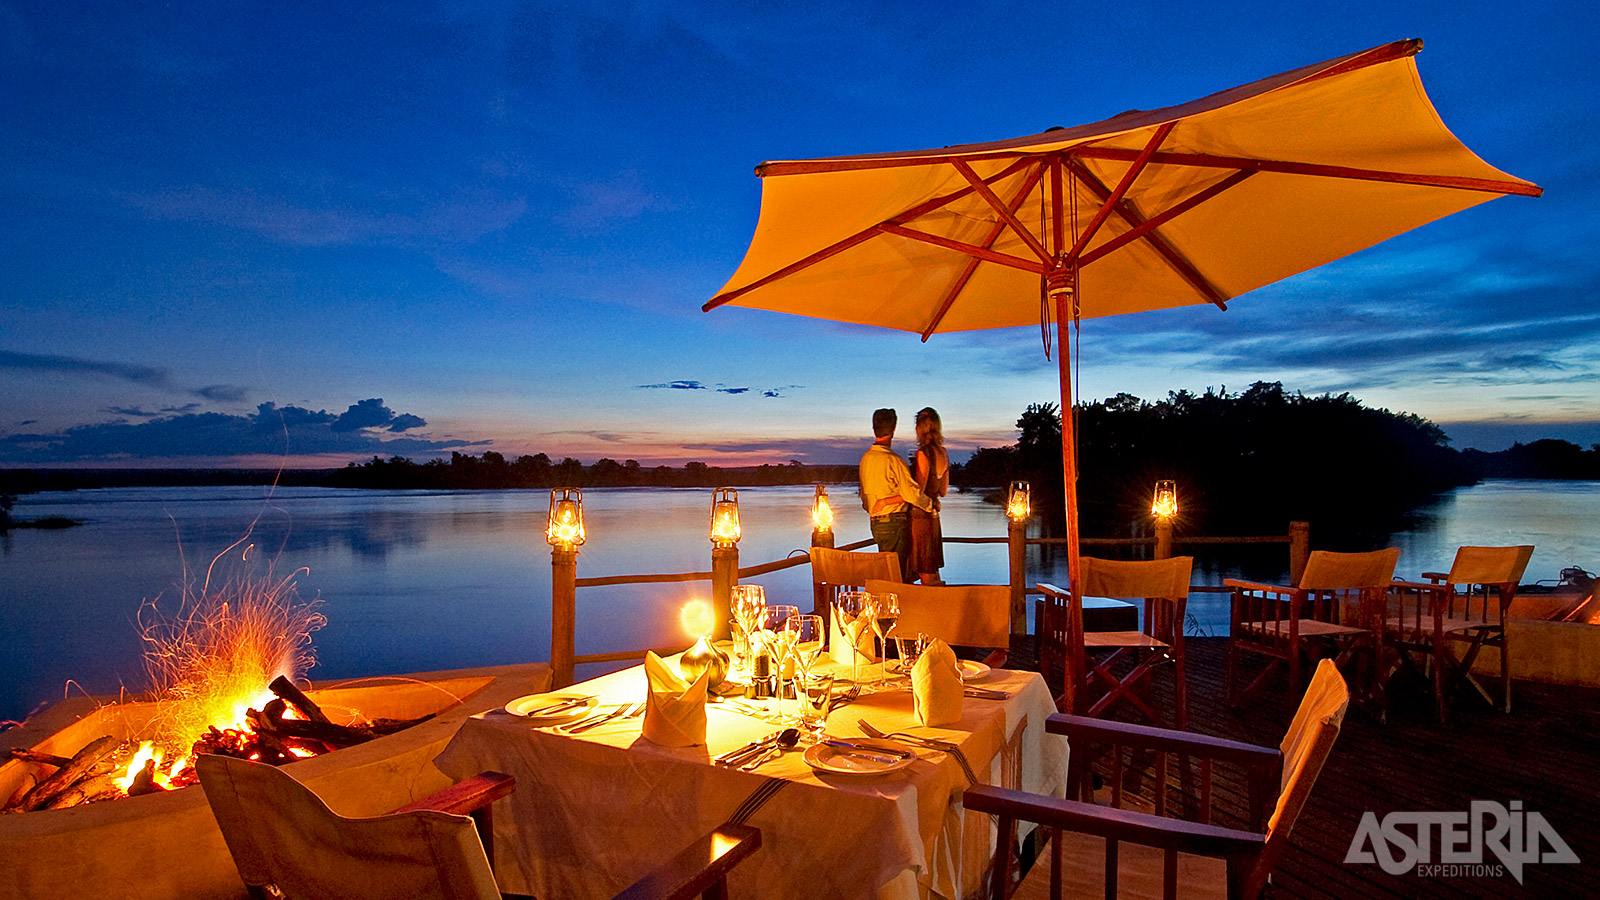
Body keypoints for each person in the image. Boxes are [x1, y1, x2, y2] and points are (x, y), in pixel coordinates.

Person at [858, 408, 934, 582]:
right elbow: (912, 493)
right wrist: (930, 505)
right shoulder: (894, 461)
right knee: (897, 575)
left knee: (887, 572)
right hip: (895, 522)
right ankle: (895, 607)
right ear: (893, 430)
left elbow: (864, 496)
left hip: (876, 523)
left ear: (874, 428)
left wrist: (877, 505)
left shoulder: (866, 459)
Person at [908, 407, 950, 584]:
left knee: (925, 569)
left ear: (920, 428)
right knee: (932, 567)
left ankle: (934, 607)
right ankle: (941, 606)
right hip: (934, 518)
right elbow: (943, 491)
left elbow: (919, 491)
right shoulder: (943, 453)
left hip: (921, 518)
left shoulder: (924, 453)